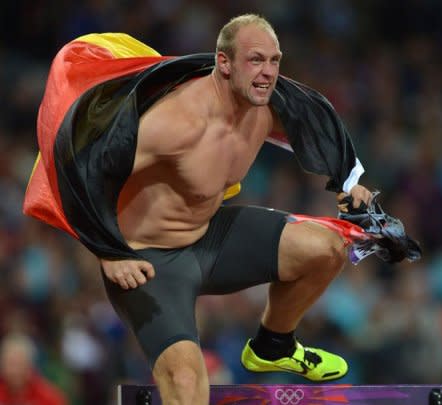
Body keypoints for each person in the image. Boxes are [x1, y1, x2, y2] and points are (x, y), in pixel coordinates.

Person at [24, 14, 375, 405]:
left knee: (329, 247)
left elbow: (315, 115)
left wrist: (349, 181)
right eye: (255, 60)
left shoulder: (269, 104)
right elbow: (81, 165)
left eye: (275, 61)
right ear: (223, 63)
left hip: (210, 238)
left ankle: (272, 345)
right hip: (149, 264)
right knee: (188, 385)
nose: (268, 72)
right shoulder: (173, 121)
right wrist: (107, 250)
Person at [0, 333, 68, 405]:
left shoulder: (49, 397)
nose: (15, 371)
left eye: (21, 364)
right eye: (11, 364)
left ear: (31, 366)